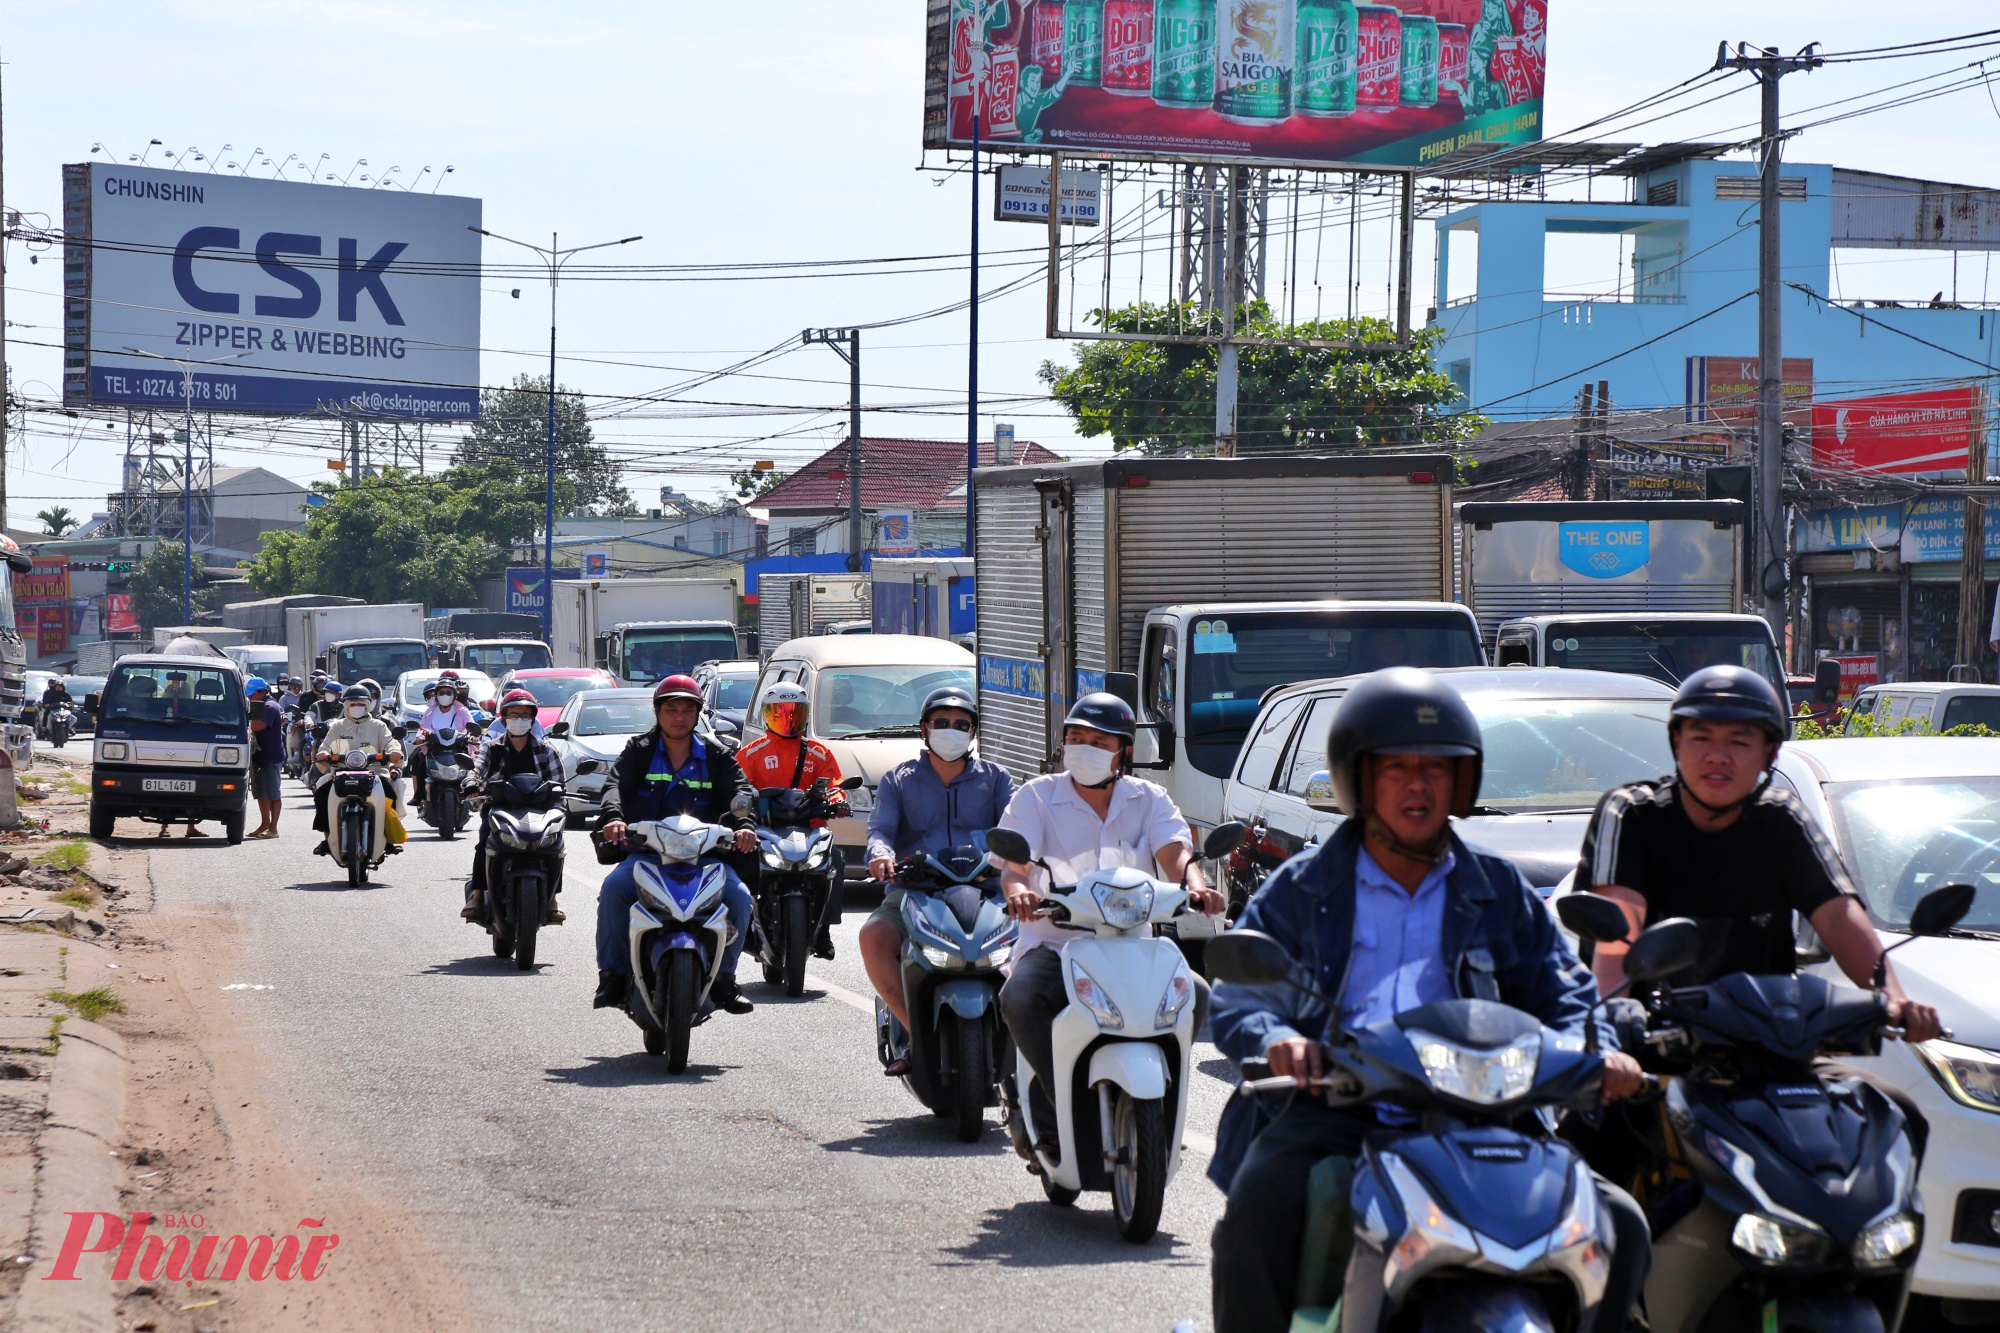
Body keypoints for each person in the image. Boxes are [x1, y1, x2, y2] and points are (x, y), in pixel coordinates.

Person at [1206, 668, 1651, 1333]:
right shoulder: (1306, 886)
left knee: (1622, 1223)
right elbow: (1246, 989)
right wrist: (1278, 1039)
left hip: (1488, 1110)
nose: (1418, 784)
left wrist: (1601, 1049)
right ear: (1359, 778)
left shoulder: (1496, 887)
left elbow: (1565, 988)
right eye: (1397, 767)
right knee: (1259, 1210)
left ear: (1462, 781)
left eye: (1437, 768)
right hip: (1342, 1104)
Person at [992, 692, 1226, 1166]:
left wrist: (1197, 888)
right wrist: (1018, 891)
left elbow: (1176, 855)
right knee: (1020, 997)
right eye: (1076, 738)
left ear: (1123, 752)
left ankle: (1159, 1109)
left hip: (1133, 948)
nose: (1085, 748)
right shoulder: (1036, 796)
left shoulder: (1149, 799)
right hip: (1055, 945)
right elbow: (1015, 867)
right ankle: (1052, 1109)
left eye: (1099, 742)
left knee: (1196, 994)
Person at [861, 686, 1015, 1074]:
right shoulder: (898, 780)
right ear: (924, 729)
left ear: (973, 732)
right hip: (916, 891)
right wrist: (880, 855)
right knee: (873, 936)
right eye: (942, 722)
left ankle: (1023, 1042)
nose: (951, 730)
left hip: (987, 892)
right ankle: (915, 1034)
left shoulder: (997, 779)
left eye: (961, 724)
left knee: (1038, 945)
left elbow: (1017, 830)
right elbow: (880, 830)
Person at [591, 675, 759, 1015]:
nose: (679, 717)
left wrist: (744, 825)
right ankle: (613, 976)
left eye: (687, 710)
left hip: (705, 858)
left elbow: (740, 790)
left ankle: (724, 980)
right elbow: (614, 786)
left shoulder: (716, 754)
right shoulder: (638, 751)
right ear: (657, 712)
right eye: (671, 710)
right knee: (614, 889)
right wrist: (613, 818)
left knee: (740, 897)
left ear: (698, 714)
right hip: (648, 855)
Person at [734, 680, 850, 959]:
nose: (788, 719)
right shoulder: (751, 754)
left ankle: (823, 932)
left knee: (835, 861)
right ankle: (746, 928)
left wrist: (838, 802)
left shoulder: (819, 753)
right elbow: (737, 788)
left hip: (810, 830)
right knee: (739, 861)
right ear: (766, 714)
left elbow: (835, 784)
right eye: (780, 712)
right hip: (766, 830)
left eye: (795, 712)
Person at [463, 689, 567, 926]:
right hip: (500, 809)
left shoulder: (546, 750)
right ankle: (477, 897)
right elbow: (476, 769)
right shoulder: (492, 747)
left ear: (532, 719)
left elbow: (559, 784)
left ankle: (552, 900)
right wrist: (471, 783)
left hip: (539, 812)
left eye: (525, 715)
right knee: (484, 841)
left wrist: (557, 806)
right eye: (513, 715)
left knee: (556, 846)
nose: (519, 720)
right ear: (503, 718)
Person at [311, 684, 404, 857]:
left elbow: (390, 743)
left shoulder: (378, 726)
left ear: (368, 705)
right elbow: (326, 746)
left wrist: (394, 752)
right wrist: (323, 753)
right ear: (345, 705)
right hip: (341, 773)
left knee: (390, 794)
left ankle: (388, 838)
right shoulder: (337, 726)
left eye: (360, 704)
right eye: (352, 704)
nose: (356, 707)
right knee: (322, 794)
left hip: (375, 774)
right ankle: (329, 839)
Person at [412, 676, 474, 807]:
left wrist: (473, 736)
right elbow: (423, 729)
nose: (445, 695)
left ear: (454, 695)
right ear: (436, 695)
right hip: (435, 749)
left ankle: (472, 795)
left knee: (474, 766)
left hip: (458, 748)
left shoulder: (462, 711)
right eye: (441, 693)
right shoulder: (430, 712)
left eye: (448, 692)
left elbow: (471, 727)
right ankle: (420, 797)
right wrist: (420, 737)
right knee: (420, 763)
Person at [245, 677, 285, 839]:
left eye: (252, 694)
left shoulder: (269, 707)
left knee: (273, 793)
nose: (249, 697)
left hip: (271, 757)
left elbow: (257, 725)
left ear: (262, 692)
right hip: (259, 756)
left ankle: (273, 829)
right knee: (260, 792)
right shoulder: (256, 705)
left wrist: (241, 722)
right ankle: (264, 824)